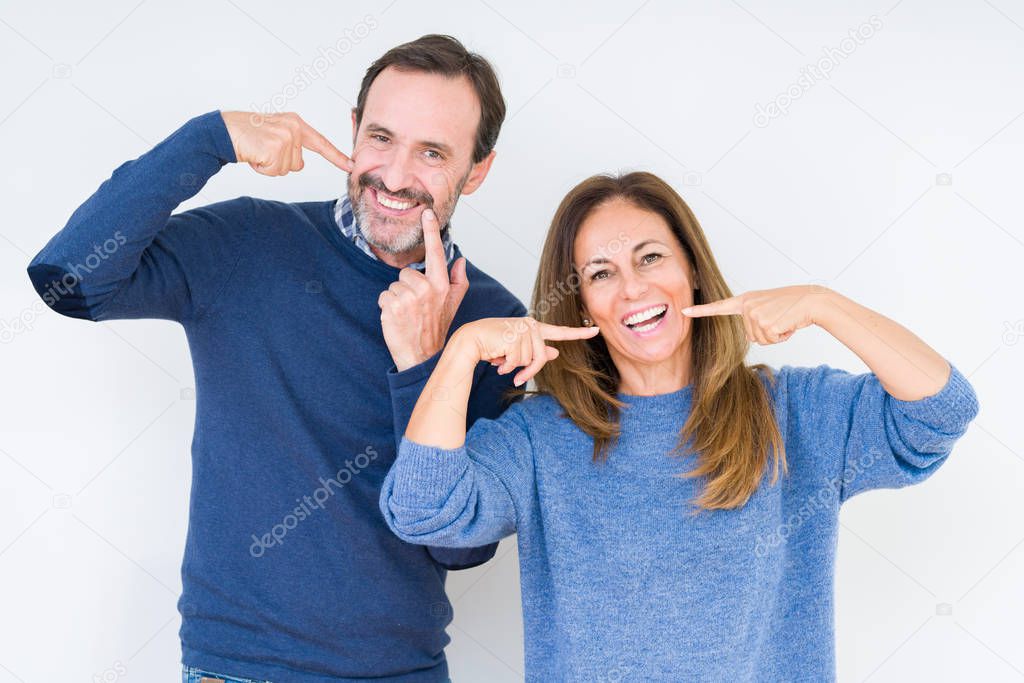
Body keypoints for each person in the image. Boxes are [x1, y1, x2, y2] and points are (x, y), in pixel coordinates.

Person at [26, 35, 525, 683]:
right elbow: (70, 280)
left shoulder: (492, 320)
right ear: (353, 130)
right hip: (237, 671)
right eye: (381, 138)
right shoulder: (252, 242)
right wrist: (209, 138)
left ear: (477, 170)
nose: (397, 176)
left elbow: (459, 547)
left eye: (432, 152)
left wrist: (428, 366)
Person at [379, 171, 980, 681]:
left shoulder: (793, 411)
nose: (633, 287)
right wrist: (461, 351)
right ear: (582, 302)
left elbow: (942, 408)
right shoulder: (541, 436)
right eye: (601, 273)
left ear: (691, 268)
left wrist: (824, 303)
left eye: (650, 257)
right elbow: (423, 509)